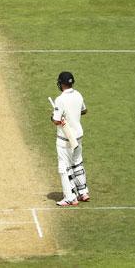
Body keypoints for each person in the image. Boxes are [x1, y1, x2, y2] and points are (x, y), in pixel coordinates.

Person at [51, 72, 90, 206]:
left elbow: (56, 120)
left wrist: (56, 117)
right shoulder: (78, 94)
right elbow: (84, 111)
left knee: (64, 167)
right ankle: (83, 192)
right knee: (77, 163)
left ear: (61, 84)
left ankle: (70, 197)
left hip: (65, 139)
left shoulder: (60, 99)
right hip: (78, 136)